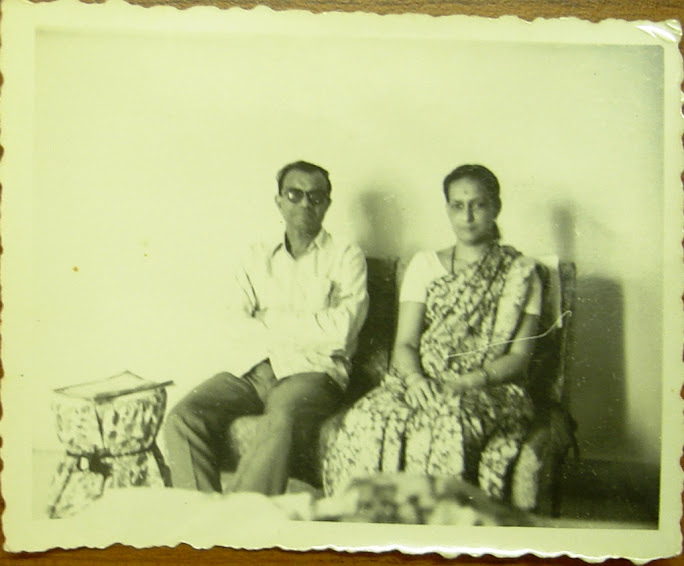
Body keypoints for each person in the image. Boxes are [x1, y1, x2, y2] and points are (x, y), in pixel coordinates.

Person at [322, 164, 542, 504]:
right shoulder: (425, 265)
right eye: (457, 205)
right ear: (447, 209)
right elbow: (406, 343)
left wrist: (463, 384)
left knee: (449, 421)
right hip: (419, 379)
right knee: (368, 416)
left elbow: (519, 357)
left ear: (496, 207)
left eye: (478, 204)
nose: (467, 216)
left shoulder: (522, 273)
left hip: (488, 386)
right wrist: (415, 381)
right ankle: (367, 520)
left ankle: (441, 524)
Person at [164, 160, 368, 496]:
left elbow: (341, 332)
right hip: (254, 371)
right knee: (183, 417)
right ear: (279, 201)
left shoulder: (346, 256)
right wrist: (307, 329)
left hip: (313, 374)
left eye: (315, 197)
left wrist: (267, 319)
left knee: (279, 420)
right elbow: (233, 324)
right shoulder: (254, 256)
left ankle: (240, 518)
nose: (305, 203)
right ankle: (200, 515)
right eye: (294, 194)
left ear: (327, 205)